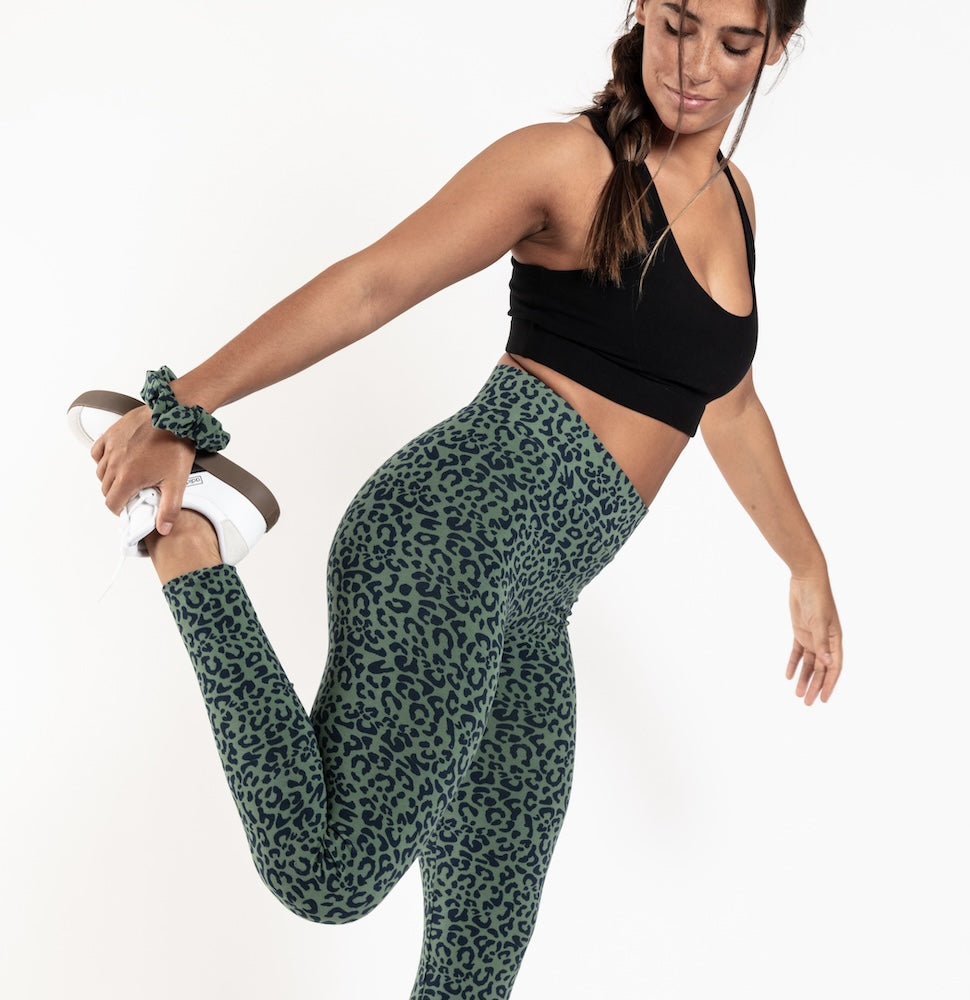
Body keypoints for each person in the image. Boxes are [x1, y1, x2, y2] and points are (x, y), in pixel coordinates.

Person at [70, 1, 841, 996]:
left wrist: (805, 561)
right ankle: (192, 546)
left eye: (733, 44)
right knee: (327, 874)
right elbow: (374, 283)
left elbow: (726, 404)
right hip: (446, 537)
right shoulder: (566, 164)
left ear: (774, 48)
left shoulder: (734, 200)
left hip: (533, 607)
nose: (693, 66)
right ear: (643, 12)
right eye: (677, 27)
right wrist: (178, 407)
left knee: (473, 967)